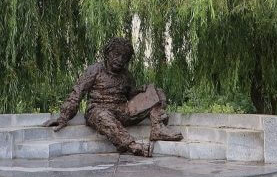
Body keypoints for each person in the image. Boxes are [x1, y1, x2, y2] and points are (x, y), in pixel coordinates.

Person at [43, 37, 182, 156]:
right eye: (116, 54)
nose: (120, 60)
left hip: (122, 109)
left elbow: (130, 96)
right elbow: (77, 93)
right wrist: (63, 117)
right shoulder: (95, 69)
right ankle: (133, 146)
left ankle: (158, 128)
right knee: (103, 116)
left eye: (124, 57)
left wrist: (141, 91)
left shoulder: (127, 75)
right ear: (108, 53)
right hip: (98, 109)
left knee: (154, 91)